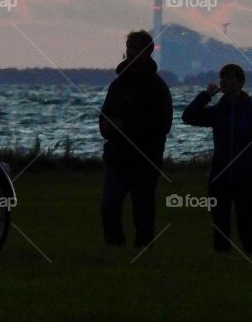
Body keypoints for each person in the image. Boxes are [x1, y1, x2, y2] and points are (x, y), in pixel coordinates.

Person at [98, 30, 173, 249]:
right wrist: (106, 127)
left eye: (135, 48)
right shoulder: (117, 85)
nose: (130, 52)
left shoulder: (158, 88)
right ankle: (116, 247)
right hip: (117, 159)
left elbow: (163, 124)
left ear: (148, 52)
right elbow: (104, 114)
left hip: (145, 159)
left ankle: (144, 249)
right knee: (108, 207)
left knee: (143, 210)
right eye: (129, 47)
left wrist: (126, 127)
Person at [182, 63, 252, 253]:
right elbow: (188, 116)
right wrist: (205, 96)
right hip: (219, 175)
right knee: (220, 222)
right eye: (223, 77)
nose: (226, 81)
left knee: (246, 222)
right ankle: (222, 259)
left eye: (230, 77)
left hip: (246, 176)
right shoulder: (218, 111)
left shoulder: (249, 109)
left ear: (240, 82)